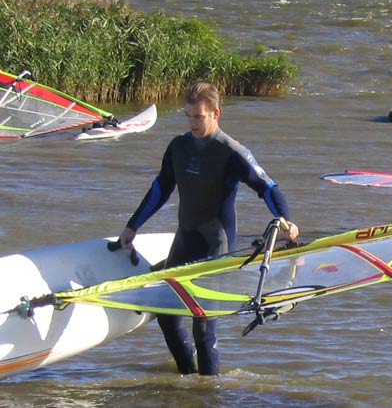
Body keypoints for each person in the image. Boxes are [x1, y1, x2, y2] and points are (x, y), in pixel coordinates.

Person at [117, 80, 299, 376]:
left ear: (216, 113)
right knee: (166, 312)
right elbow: (160, 189)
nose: (192, 123)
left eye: (199, 117)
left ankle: (210, 392)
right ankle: (188, 382)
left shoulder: (231, 151)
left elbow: (267, 187)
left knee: (202, 325)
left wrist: (285, 219)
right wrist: (132, 226)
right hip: (186, 239)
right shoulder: (179, 147)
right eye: (188, 116)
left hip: (216, 244)